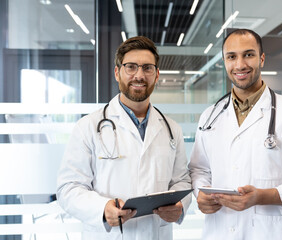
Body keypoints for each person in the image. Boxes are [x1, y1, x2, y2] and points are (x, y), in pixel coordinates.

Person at [188, 29, 282, 240]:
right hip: (218, 231)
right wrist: (201, 193)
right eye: (232, 56)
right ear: (224, 62)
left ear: (262, 59)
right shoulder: (210, 116)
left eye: (248, 54)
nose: (240, 65)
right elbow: (198, 169)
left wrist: (264, 197)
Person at [57, 36, 191, 240]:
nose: (139, 75)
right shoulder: (89, 127)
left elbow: (181, 180)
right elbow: (68, 188)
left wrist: (180, 206)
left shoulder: (172, 129)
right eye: (131, 67)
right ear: (117, 73)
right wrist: (102, 208)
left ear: (156, 75)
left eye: (147, 68)